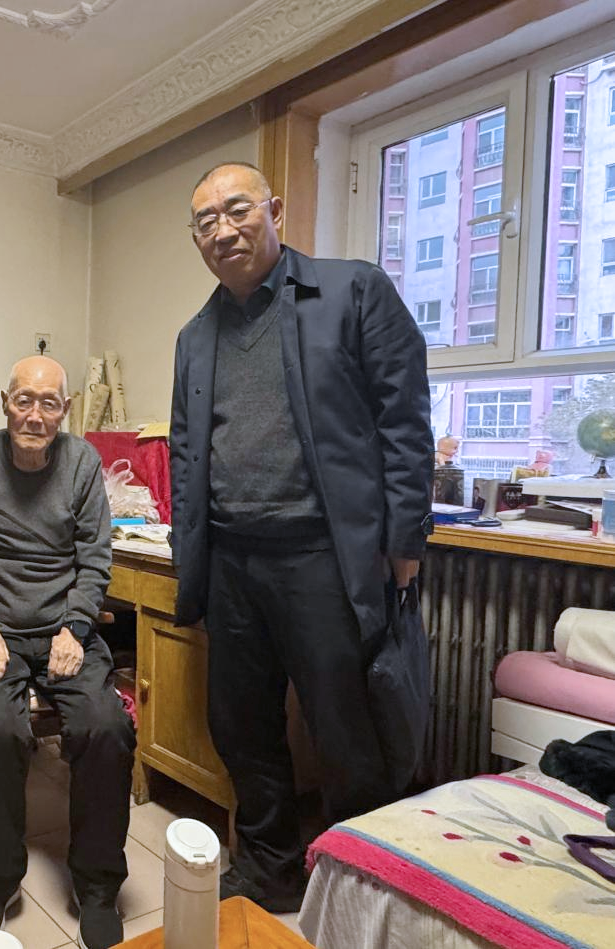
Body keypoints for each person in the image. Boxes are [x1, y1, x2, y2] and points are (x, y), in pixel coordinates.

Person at [169, 162, 433, 912]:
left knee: (348, 732)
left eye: (237, 209)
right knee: (241, 727)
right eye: (206, 221)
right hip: (232, 561)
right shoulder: (195, 335)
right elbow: (187, 451)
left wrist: (405, 541)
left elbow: (405, 420)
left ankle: (363, 887)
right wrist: (192, 557)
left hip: (325, 557)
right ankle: (270, 868)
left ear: (274, 209)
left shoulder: (352, 291)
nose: (223, 229)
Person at [0, 356, 134, 949]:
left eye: (49, 403)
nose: (35, 415)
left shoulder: (82, 462)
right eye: (24, 400)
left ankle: (97, 885)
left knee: (106, 726)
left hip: (63, 633)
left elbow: (95, 558)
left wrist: (75, 626)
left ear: (65, 411)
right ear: (5, 402)